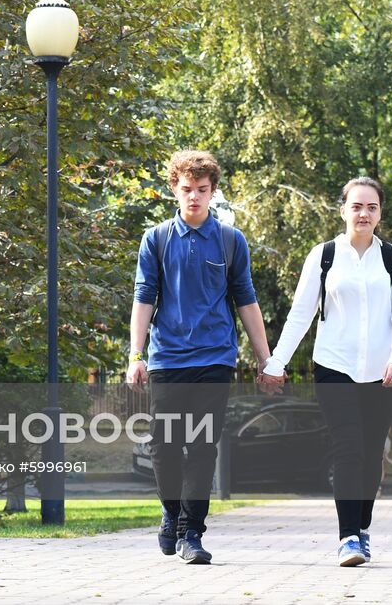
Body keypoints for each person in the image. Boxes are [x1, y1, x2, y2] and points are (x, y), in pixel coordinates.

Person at [127, 150, 275, 565]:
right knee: (165, 444)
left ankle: (192, 531)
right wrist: (135, 354)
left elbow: (246, 300)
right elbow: (143, 298)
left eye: (203, 190)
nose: (195, 197)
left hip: (215, 357)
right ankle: (172, 513)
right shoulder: (156, 239)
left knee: (203, 444)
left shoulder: (230, 240)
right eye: (187, 189)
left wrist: (265, 359)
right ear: (174, 189)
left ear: (213, 191)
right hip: (168, 358)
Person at [260, 176, 392, 567]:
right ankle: (347, 538)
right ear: (343, 209)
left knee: (371, 452)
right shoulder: (323, 255)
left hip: (383, 372)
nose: (364, 213)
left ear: (380, 213)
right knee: (348, 447)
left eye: (372, 207)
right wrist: (275, 363)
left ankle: (362, 528)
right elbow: (300, 315)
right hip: (334, 367)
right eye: (357, 206)